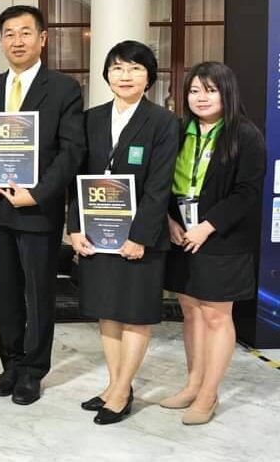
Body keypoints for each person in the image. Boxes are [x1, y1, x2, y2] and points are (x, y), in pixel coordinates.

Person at [0, 5, 85, 405]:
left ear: (42, 38)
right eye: (9, 33)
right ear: (0, 40)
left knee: (38, 294)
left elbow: (72, 152)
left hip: (38, 209)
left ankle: (33, 370)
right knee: (5, 291)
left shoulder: (64, 89)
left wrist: (37, 193)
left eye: (25, 32)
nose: (16, 41)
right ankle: (11, 363)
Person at [68, 40, 180, 425]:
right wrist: (74, 228)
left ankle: (120, 391)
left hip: (139, 239)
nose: (125, 75)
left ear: (149, 77)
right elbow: (76, 179)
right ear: (107, 75)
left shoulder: (164, 122)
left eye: (135, 68)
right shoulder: (90, 119)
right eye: (117, 67)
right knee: (107, 312)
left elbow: (160, 186)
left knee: (134, 314)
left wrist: (140, 236)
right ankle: (115, 385)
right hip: (97, 236)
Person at [161, 62, 265, 425]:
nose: (200, 98)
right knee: (190, 311)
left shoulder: (244, 135)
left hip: (222, 238)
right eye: (194, 90)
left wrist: (207, 226)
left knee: (216, 315)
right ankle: (193, 384)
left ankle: (209, 393)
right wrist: (170, 220)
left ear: (226, 93)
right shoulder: (177, 131)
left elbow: (247, 192)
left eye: (210, 90)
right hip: (181, 235)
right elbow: (161, 181)